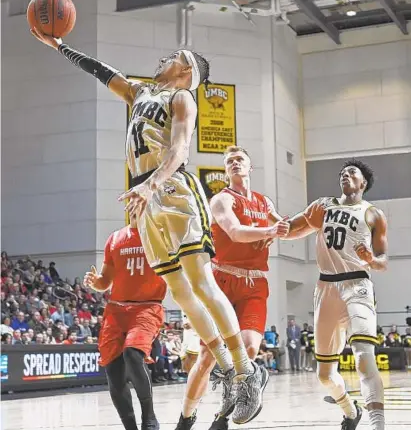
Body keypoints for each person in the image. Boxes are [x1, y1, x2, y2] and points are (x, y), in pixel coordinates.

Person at [32, 30, 274, 424]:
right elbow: (104, 73)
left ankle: (247, 372)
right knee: (179, 291)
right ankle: (230, 371)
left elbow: (180, 149)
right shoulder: (142, 92)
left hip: (173, 187)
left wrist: (152, 183)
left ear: (186, 71)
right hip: (145, 197)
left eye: (174, 56)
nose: (164, 58)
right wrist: (61, 47)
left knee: (200, 282)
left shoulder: (182, 98)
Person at [175, 145, 289, 430]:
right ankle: (186, 417)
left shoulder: (265, 203)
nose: (235, 163)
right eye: (230, 161)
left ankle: (223, 416)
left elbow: (287, 226)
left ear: (250, 167)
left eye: (240, 160)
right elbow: (236, 232)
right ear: (226, 171)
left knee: (249, 350)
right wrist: (270, 231)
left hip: (254, 283)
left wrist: (313, 222)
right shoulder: (221, 200)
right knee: (207, 357)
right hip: (222, 282)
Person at [283, 159, 388, 430]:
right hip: (326, 287)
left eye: (351, 172)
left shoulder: (373, 213)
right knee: (325, 374)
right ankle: (350, 411)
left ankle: (378, 425)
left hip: (358, 285)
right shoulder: (323, 205)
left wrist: (370, 260)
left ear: (363, 182)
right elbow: (292, 229)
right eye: (342, 173)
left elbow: (383, 261)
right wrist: (275, 226)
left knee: (364, 357)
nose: (345, 175)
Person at [83, 219, 167, 430]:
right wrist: (96, 282)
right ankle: (130, 427)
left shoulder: (162, 234)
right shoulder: (115, 238)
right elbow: (105, 282)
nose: (134, 206)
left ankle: (149, 416)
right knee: (113, 369)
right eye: (131, 202)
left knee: (132, 353)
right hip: (116, 309)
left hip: (147, 307)